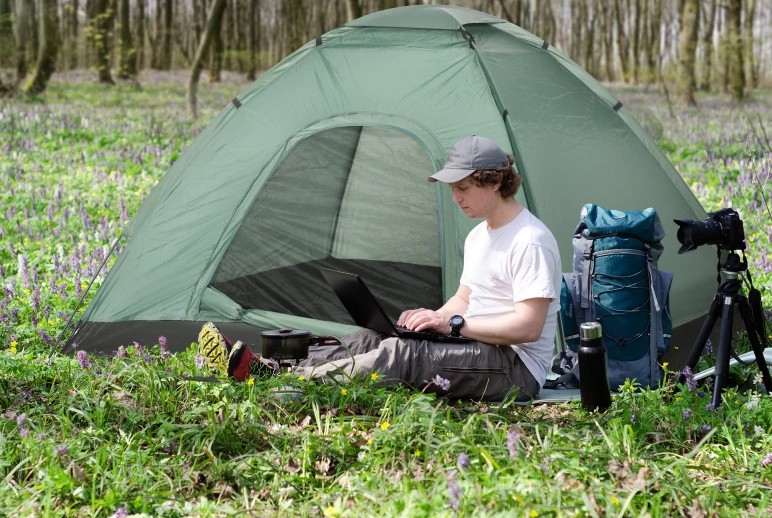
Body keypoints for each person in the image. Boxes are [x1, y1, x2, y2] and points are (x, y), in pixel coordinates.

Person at [199, 135, 562, 401]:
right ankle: (269, 368)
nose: (455, 198)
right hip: (474, 343)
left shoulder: (529, 239)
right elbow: (465, 299)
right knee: (374, 338)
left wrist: (453, 325)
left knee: (404, 354)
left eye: (463, 188)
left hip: (514, 368)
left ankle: (290, 388)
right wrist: (431, 318)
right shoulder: (479, 236)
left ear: (495, 181)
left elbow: (527, 328)